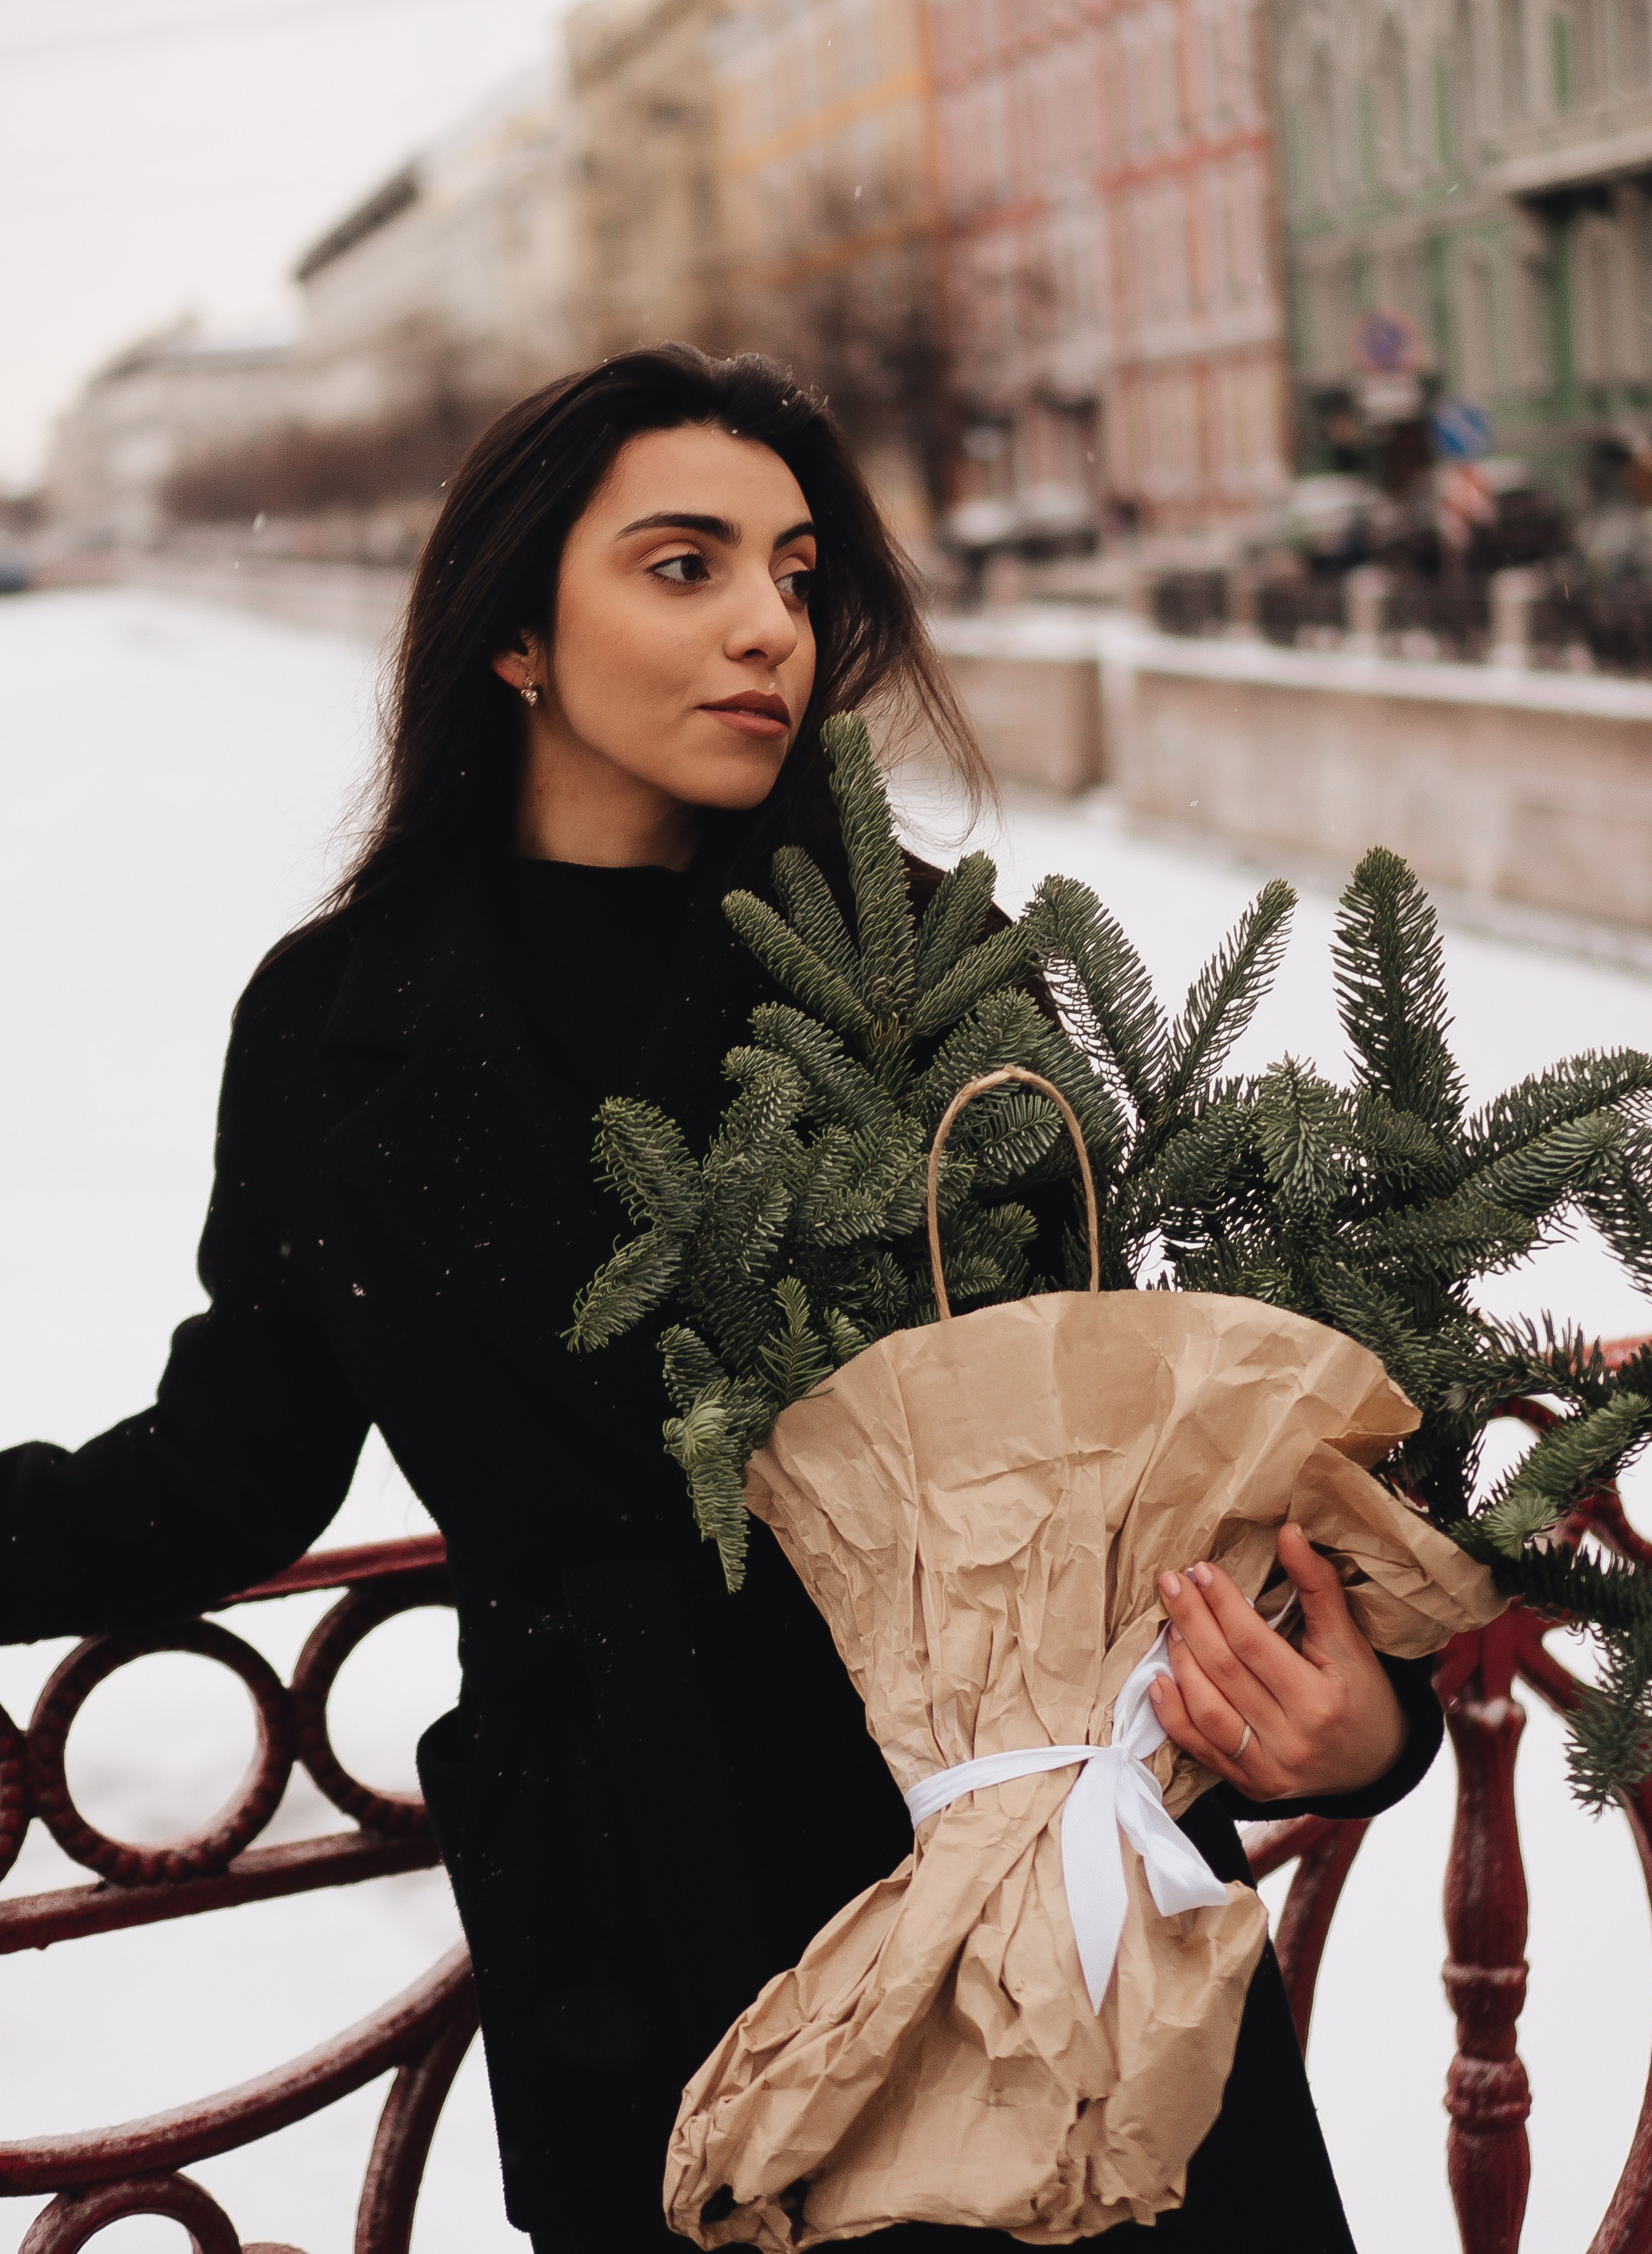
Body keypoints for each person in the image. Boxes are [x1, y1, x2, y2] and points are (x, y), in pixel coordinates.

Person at [0, 345, 1443, 2251]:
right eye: (685, 567)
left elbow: (1157, 1443)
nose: (769, 625)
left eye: (793, 571)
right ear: (517, 630)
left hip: (1029, 1900)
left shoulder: (920, 957)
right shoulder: (333, 1025)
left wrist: (1371, 1723)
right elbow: (229, 1473)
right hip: (642, 1936)